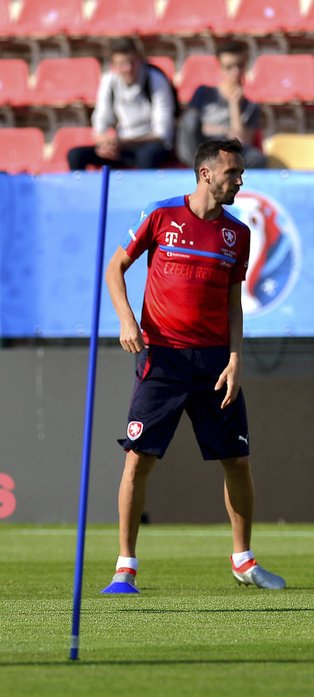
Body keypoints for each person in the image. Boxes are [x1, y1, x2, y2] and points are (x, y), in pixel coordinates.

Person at [103, 137, 285, 594]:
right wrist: (127, 319)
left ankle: (243, 560)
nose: (240, 181)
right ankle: (125, 567)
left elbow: (232, 303)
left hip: (214, 363)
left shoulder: (237, 234)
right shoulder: (161, 215)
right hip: (161, 359)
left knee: (238, 460)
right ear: (206, 174)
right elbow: (115, 268)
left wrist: (236, 358)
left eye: (240, 173)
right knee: (138, 460)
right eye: (232, 173)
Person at [68, 37, 176, 171]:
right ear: (113, 65)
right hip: (121, 146)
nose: (128, 68)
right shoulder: (109, 81)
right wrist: (105, 143)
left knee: (147, 157)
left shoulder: (155, 79)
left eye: (132, 62)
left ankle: (143, 191)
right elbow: (100, 122)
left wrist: (123, 143)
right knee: (75, 155)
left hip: (150, 144)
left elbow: (162, 134)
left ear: (140, 59)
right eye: (121, 64)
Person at [176, 41, 267, 169]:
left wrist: (234, 105)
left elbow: (241, 141)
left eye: (239, 66)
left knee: (255, 158)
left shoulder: (251, 106)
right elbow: (189, 126)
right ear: (221, 68)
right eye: (229, 67)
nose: (235, 72)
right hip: (201, 148)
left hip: (227, 151)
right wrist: (225, 131)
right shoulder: (204, 92)